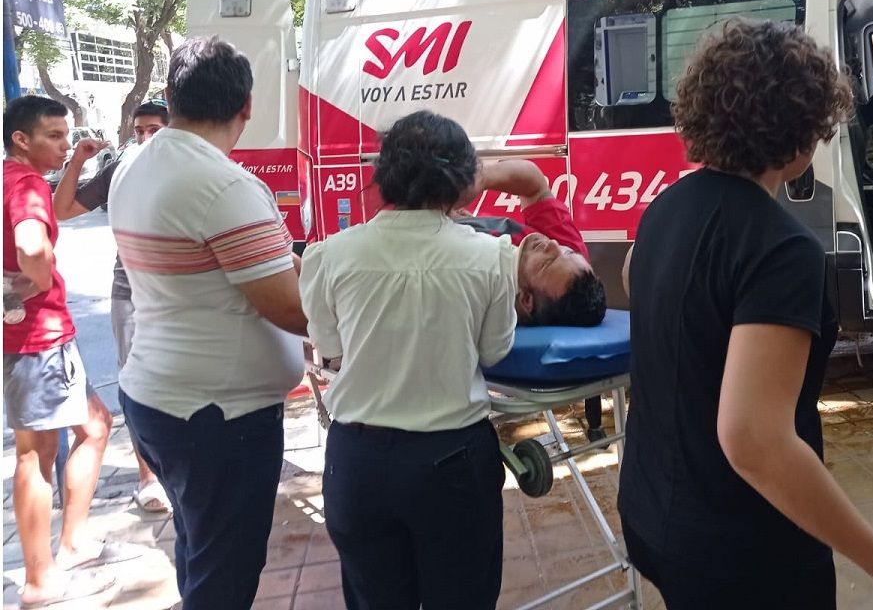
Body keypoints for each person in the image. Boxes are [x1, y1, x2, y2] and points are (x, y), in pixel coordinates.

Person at [619, 17, 873, 607]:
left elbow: (640, 282)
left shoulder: (664, 209)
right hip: (742, 549)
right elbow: (754, 439)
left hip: (652, 513)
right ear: (799, 137)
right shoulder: (781, 248)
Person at [109, 37, 308, 609]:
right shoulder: (224, 186)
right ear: (246, 105)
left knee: (199, 547)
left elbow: (274, 265)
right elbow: (291, 307)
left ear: (171, 98)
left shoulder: (135, 164)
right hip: (218, 417)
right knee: (226, 573)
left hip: (158, 399)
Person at [300, 111, 516, 609]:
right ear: (462, 180)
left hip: (359, 462)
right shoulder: (491, 257)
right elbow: (493, 351)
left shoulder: (330, 255)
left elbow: (330, 345)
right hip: (453, 462)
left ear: (385, 173)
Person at [3, 96, 129, 608]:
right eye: (54, 136)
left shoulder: (15, 180)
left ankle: (73, 545)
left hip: (41, 337)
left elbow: (55, 213)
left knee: (95, 425)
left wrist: (75, 160)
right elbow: (33, 246)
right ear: (21, 139)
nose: (62, 143)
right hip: (38, 338)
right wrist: (28, 286)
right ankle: (40, 580)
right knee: (36, 453)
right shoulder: (25, 184)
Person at [51, 100, 171, 514]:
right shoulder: (120, 167)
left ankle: (180, 468)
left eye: (154, 129)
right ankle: (148, 477)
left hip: (178, 291)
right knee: (136, 384)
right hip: (130, 291)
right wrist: (77, 161)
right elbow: (62, 210)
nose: (145, 137)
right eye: (139, 131)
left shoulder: (183, 165)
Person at [455, 158, 607, 438]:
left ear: (525, 300)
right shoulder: (571, 265)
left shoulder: (473, 288)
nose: (551, 244)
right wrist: (481, 178)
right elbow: (535, 184)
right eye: (566, 251)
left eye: (546, 263)